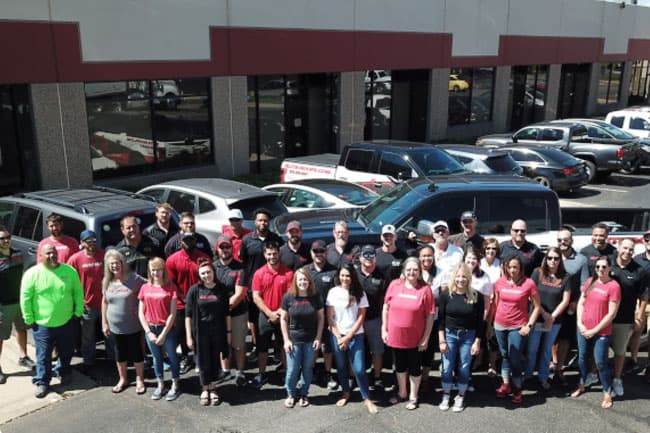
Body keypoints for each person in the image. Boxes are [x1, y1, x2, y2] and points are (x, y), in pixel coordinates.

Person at [20, 244, 83, 398]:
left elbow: (77, 292)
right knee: (43, 356)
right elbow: (25, 297)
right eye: (48, 253)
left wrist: (78, 311)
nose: (52, 256)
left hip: (66, 322)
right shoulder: (32, 274)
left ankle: (64, 371)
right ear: (41, 256)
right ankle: (42, 382)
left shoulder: (69, 271)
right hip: (42, 325)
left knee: (66, 351)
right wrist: (28, 317)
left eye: (54, 253)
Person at [382, 257, 435, 410]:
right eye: (409, 269)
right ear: (404, 271)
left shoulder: (425, 290)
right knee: (399, 366)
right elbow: (386, 307)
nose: (412, 272)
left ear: (419, 272)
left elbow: (430, 316)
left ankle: (413, 396)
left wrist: (425, 338)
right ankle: (402, 393)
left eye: (415, 270)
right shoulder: (394, 285)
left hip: (415, 339)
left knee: (414, 368)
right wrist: (384, 328)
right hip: (395, 336)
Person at [326, 263, 377, 414]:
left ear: (352, 276)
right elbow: (330, 317)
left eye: (348, 275)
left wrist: (347, 337)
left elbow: (361, 318)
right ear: (338, 276)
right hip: (337, 335)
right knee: (341, 367)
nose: (345, 278)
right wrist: (338, 337)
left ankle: (366, 398)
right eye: (342, 275)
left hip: (356, 335)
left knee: (360, 369)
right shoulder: (333, 292)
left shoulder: (360, 293)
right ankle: (346, 393)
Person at [571, 255, 620, 409]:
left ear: (610, 268)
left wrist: (594, 330)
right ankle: (582, 383)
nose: (600, 270)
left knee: (600, 362)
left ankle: (607, 391)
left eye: (604, 267)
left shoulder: (614, 286)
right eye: (597, 267)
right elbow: (581, 303)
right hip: (583, 328)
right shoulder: (590, 282)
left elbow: (611, 314)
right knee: (582, 359)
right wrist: (580, 323)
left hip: (601, 332)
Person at [493, 255, 542, 404]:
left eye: (516, 267)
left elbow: (537, 307)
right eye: (510, 267)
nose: (512, 270)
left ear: (520, 268)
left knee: (515, 358)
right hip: (499, 325)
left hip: (517, 326)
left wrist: (529, 325)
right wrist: (491, 323)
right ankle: (506, 384)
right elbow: (496, 303)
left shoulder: (529, 283)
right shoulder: (499, 282)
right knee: (504, 355)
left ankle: (517, 388)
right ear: (505, 267)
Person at [438, 263, 484, 412]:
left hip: (468, 335)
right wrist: (441, 340)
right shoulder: (446, 294)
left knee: (464, 367)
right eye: (458, 276)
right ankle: (446, 394)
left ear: (469, 278)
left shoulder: (476, 296)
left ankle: (460, 396)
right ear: (454, 277)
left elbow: (479, 323)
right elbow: (441, 319)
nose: (460, 279)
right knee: (447, 367)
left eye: (464, 276)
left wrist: (477, 342)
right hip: (449, 334)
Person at [185, 259, 231, 406]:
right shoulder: (194, 290)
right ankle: (205, 388)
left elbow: (226, 313)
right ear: (199, 275)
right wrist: (188, 337)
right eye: (203, 273)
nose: (206, 275)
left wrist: (229, 333)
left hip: (218, 331)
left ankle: (214, 387)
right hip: (200, 332)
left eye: (208, 272)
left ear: (213, 272)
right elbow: (188, 315)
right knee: (203, 361)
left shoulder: (221, 289)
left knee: (214, 360)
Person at [524, 247, 571, 390]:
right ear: (546, 259)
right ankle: (527, 374)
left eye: (556, 258)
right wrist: (544, 314)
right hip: (537, 318)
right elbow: (531, 295)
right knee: (532, 349)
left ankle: (543, 377)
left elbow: (565, 300)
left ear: (560, 260)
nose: (553, 261)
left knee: (546, 350)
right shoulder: (537, 273)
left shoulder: (566, 276)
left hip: (554, 321)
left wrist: (552, 317)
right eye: (550, 258)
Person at [240, 208, 284, 355]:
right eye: (260, 220)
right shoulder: (247, 240)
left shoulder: (276, 239)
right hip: (254, 287)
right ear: (255, 222)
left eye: (265, 220)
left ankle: (278, 349)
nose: (263, 223)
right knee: (254, 318)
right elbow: (244, 264)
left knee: (274, 319)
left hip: (273, 284)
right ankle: (256, 344)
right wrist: (244, 287)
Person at [101, 249, 146, 394]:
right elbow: (105, 302)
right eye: (111, 264)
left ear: (122, 263)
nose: (115, 266)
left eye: (117, 263)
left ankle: (140, 379)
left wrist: (142, 308)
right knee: (119, 354)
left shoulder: (134, 278)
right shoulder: (107, 281)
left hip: (132, 325)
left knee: (136, 353)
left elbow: (148, 288)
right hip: (115, 327)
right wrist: (104, 322)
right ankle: (123, 379)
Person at [609, 238, 649, 397]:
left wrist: (639, 315)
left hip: (625, 318)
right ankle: (596, 376)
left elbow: (644, 295)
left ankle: (617, 379)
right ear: (618, 248)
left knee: (619, 352)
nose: (627, 252)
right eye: (625, 248)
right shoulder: (607, 265)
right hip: (605, 317)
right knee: (600, 349)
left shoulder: (639, 270)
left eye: (631, 249)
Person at [166, 232, 210, 374]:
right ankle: (185, 356)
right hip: (180, 302)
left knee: (200, 332)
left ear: (195, 240)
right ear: (180, 241)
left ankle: (199, 358)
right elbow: (171, 283)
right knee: (182, 333)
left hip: (200, 301)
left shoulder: (203, 257)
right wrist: (182, 297)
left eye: (191, 240)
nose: (188, 243)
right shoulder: (172, 260)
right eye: (185, 240)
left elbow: (208, 279)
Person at [251, 241, 294, 389]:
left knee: (284, 345)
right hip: (265, 314)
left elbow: (290, 296)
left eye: (274, 253)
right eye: (269, 254)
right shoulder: (259, 273)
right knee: (262, 347)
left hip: (283, 314)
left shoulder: (288, 273)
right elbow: (256, 297)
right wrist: (269, 313)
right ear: (264, 255)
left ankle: (286, 373)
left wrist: (280, 312)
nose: (272, 256)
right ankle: (261, 374)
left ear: (279, 253)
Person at [280, 268, 324, 408]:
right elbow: (283, 319)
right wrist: (286, 340)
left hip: (311, 340)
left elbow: (321, 318)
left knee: (307, 369)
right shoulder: (288, 297)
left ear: (309, 281)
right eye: (300, 279)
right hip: (294, 341)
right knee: (292, 370)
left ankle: (304, 394)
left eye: (305, 279)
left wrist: (318, 337)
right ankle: (291, 394)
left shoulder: (315, 296)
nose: (302, 282)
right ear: (295, 281)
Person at [138, 257, 180, 401]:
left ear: (163, 270)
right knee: (157, 358)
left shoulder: (170, 286)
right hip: (150, 328)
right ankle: (161, 384)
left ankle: (175, 383)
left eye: (159, 269)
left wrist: (163, 333)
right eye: (153, 270)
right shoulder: (145, 287)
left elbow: (173, 314)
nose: (156, 273)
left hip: (167, 329)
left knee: (172, 356)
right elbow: (140, 313)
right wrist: (148, 332)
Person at [553, 229, 589, 386]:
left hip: (569, 305)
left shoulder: (581, 260)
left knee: (564, 338)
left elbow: (584, 285)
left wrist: (576, 302)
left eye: (565, 240)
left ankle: (559, 368)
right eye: (560, 240)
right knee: (551, 338)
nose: (562, 243)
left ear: (571, 241)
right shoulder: (551, 256)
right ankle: (553, 364)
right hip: (551, 304)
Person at [303, 240, 338, 390]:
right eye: (315, 251)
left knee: (327, 347)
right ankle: (308, 373)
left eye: (321, 251)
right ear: (311, 253)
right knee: (311, 346)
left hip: (327, 315)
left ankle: (328, 373)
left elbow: (337, 295)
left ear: (326, 252)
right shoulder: (304, 271)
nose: (318, 254)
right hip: (309, 316)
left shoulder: (333, 271)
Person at [0, 226, 33, 384]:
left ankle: (23, 356)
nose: (6, 240)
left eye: (7, 237)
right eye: (2, 238)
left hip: (19, 301)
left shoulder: (18, 253)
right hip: (2, 305)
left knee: (22, 329)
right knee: (1, 336)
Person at [213, 235, 248, 386]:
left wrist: (223, 309)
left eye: (227, 247)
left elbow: (239, 294)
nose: (225, 250)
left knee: (238, 344)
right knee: (222, 344)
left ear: (232, 248)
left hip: (237, 312)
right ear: (217, 249)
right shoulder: (213, 267)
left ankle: (240, 372)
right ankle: (226, 371)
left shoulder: (240, 268)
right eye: (222, 247)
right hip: (219, 314)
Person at [67, 230, 104, 369]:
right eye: (88, 241)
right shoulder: (75, 259)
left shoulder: (104, 255)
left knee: (110, 333)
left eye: (94, 240)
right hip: (87, 304)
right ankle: (89, 361)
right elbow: (69, 282)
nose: (92, 244)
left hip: (105, 303)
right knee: (88, 336)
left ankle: (114, 359)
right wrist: (76, 302)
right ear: (82, 243)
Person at [357, 245, 388, 391]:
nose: (368, 258)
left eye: (371, 255)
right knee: (356, 350)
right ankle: (355, 378)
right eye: (366, 255)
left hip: (375, 319)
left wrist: (384, 322)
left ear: (375, 257)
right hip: (355, 321)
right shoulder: (354, 274)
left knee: (377, 350)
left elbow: (385, 300)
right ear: (360, 257)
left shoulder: (381, 275)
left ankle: (377, 377)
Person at [464, 245, 496, 380]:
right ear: (464, 259)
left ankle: (467, 376)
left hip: (476, 319)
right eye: (469, 258)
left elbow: (487, 302)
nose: (471, 261)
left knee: (471, 349)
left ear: (478, 261)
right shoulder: (458, 273)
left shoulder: (484, 277)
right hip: (458, 319)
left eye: (474, 259)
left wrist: (483, 321)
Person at [417, 245, 441, 389]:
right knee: (414, 350)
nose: (426, 258)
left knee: (429, 349)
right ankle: (414, 377)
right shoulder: (414, 271)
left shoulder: (440, 273)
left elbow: (443, 296)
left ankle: (425, 378)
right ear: (419, 257)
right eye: (423, 255)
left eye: (429, 255)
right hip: (414, 319)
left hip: (433, 318)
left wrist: (426, 299)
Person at [632, 229, 650, 382]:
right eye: (648, 239)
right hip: (639, 302)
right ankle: (634, 361)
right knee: (636, 333)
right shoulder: (637, 260)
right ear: (644, 241)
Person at [430, 220, 462, 289]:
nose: (440, 233)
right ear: (433, 235)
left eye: (443, 231)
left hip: (450, 291)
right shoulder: (427, 250)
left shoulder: (458, 251)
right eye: (437, 231)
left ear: (448, 233)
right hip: (430, 291)